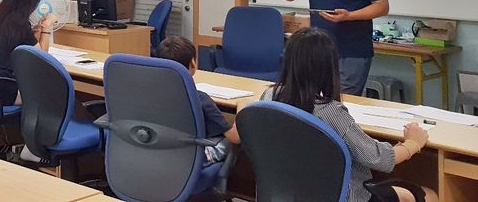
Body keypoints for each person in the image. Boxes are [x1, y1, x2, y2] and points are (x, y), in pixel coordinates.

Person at [261, 27, 437, 202]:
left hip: (286, 193)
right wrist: (413, 143)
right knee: (429, 195)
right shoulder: (330, 112)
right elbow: (379, 159)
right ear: (329, 67)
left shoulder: (268, 98)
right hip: (344, 196)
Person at [154, 36, 240, 164]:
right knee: (228, 141)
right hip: (192, 160)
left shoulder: (152, 94)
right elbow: (235, 138)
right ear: (193, 63)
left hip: (158, 152)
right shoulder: (200, 99)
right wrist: (241, 110)